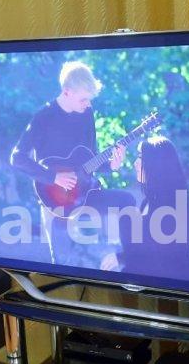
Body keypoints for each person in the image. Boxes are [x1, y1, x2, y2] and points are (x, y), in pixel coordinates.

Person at [10, 61, 133, 266]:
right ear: (66, 92)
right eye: (83, 99)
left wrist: (111, 166)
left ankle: (129, 262)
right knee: (62, 263)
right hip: (55, 203)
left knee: (127, 200)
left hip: (86, 194)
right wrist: (53, 177)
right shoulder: (43, 117)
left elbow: (91, 159)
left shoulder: (86, 113)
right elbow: (17, 157)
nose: (87, 104)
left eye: (89, 99)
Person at [100, 136, 189, 282]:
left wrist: (122, 257)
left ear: (157, 164)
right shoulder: (149, 201)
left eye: (141, 157)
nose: (136, 162)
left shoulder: (173, 204)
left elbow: (162, 257)